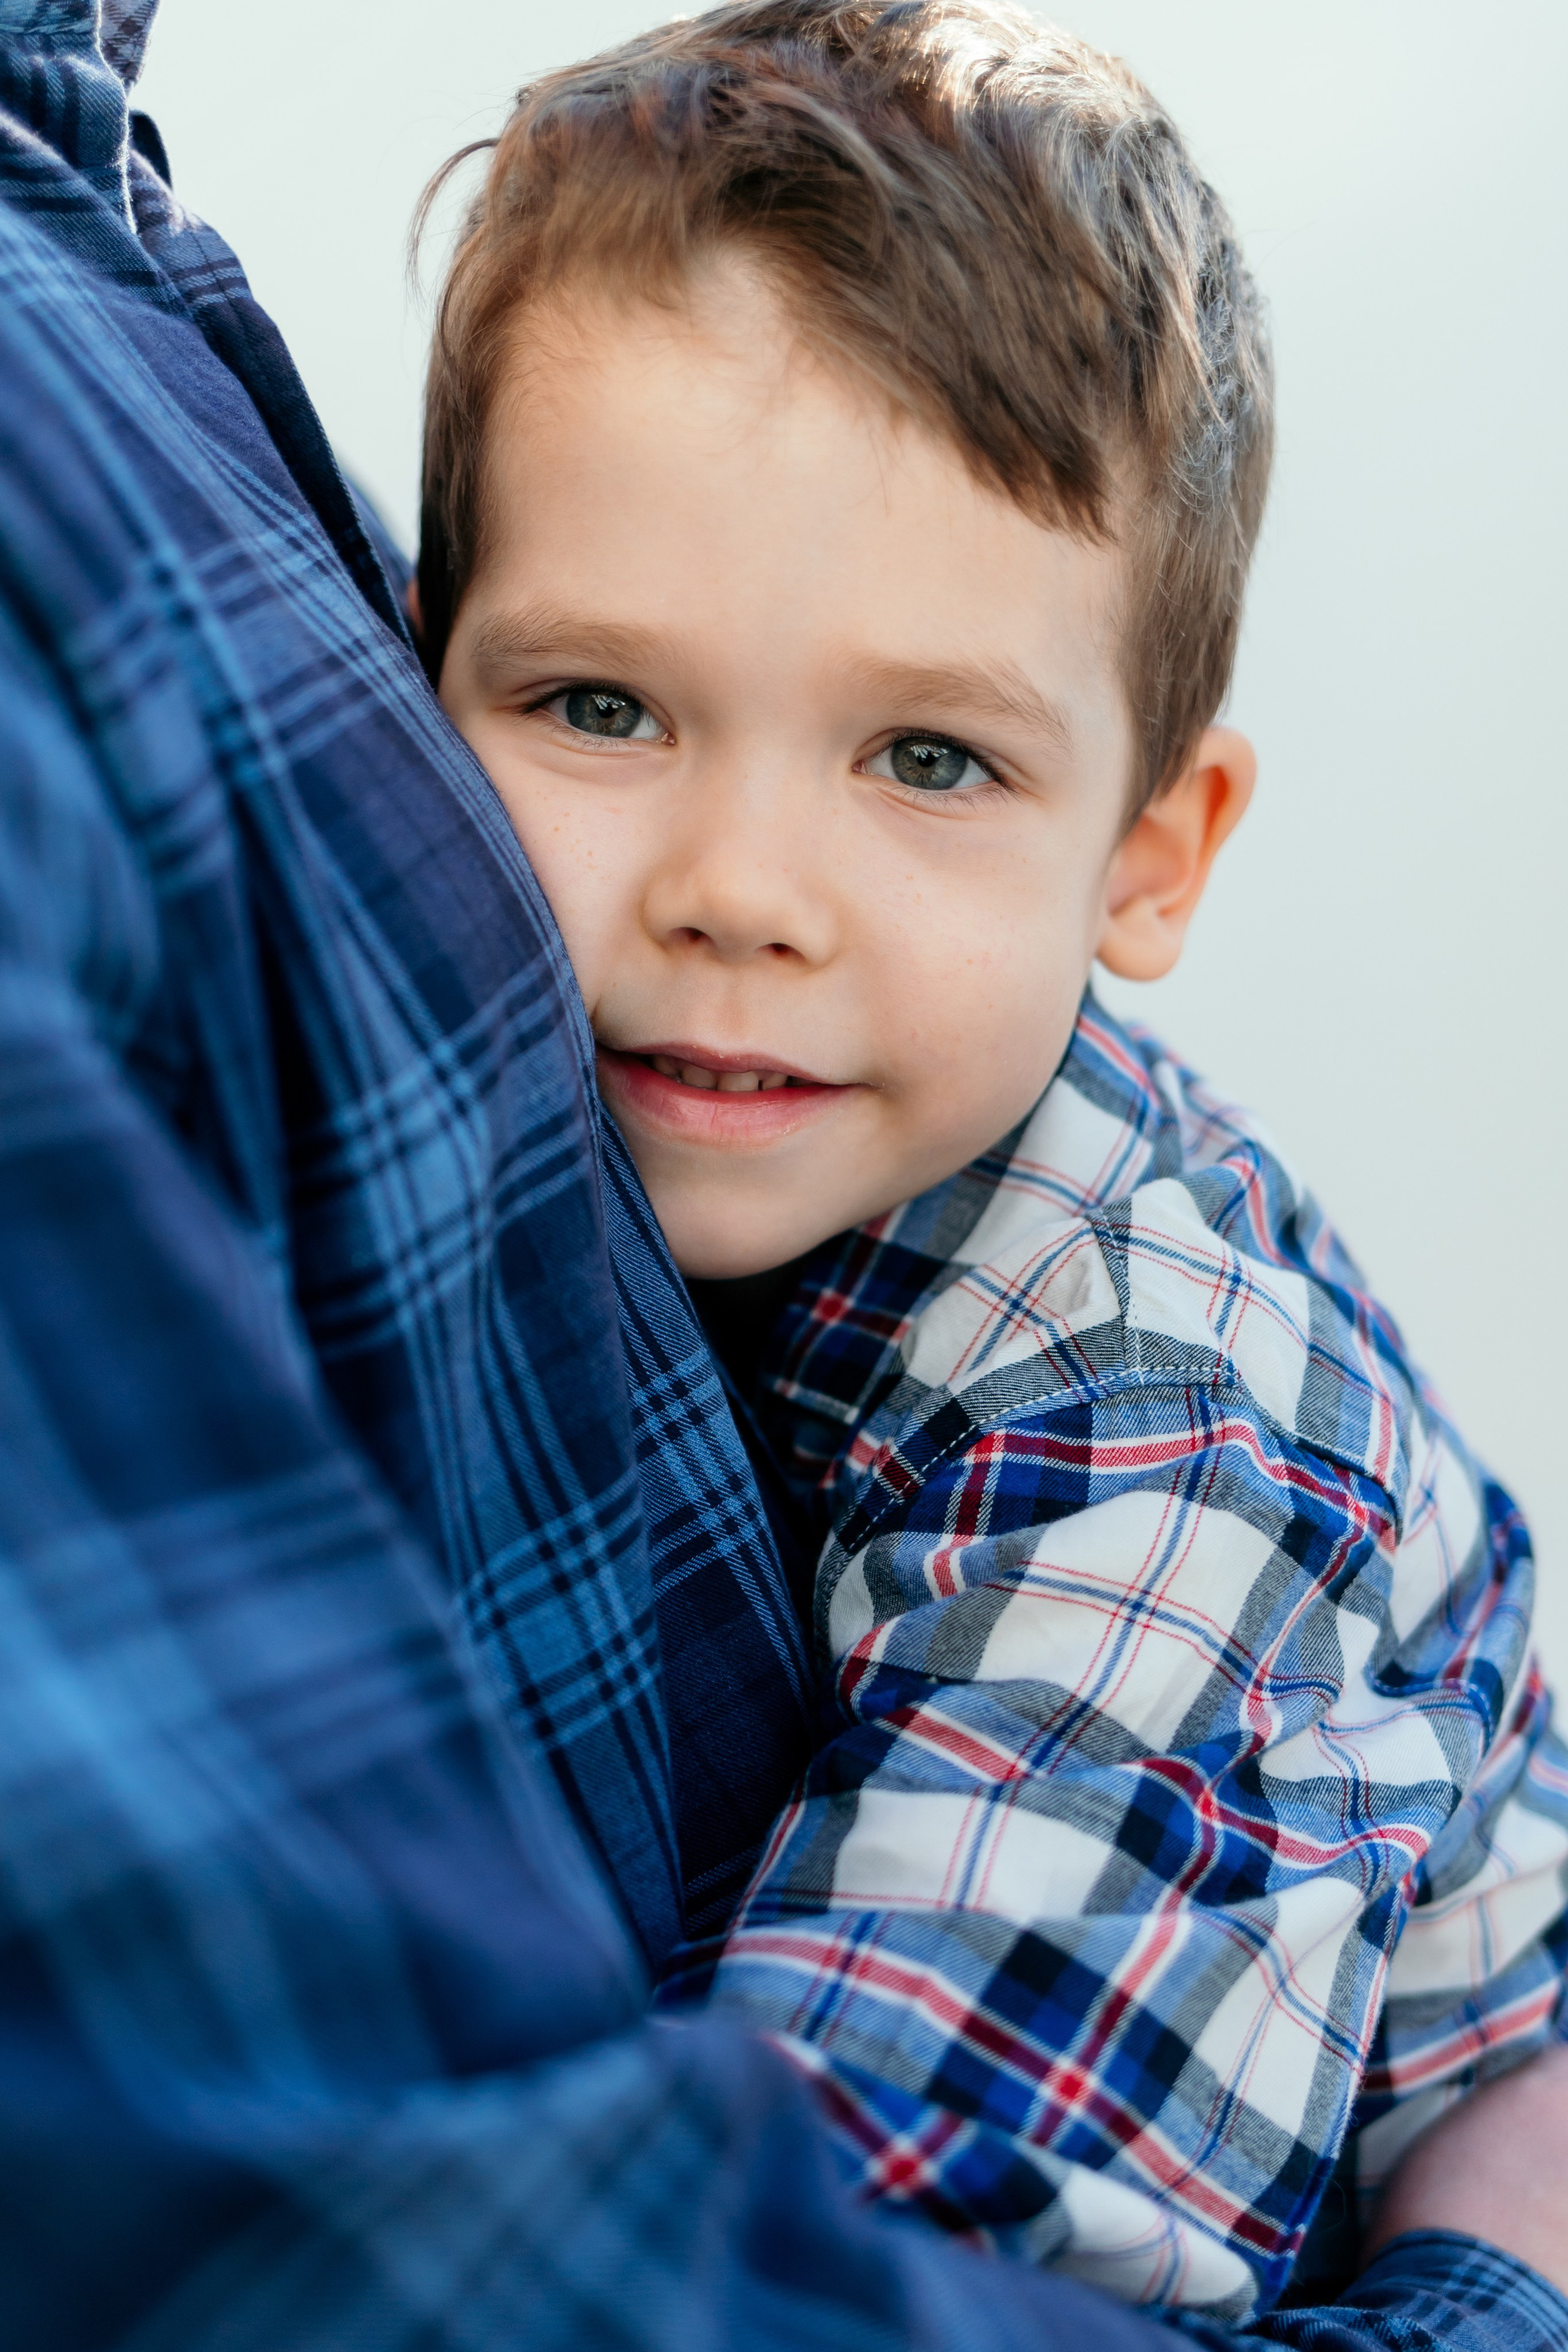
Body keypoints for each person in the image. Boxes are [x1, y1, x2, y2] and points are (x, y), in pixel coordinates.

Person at [1, 1, 1565, 2348]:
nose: (743, 886)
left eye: (926, 757)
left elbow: (921, 2250)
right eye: (599, 707)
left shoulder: (1143, 1422)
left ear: (1154, 854)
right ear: (422, 678)